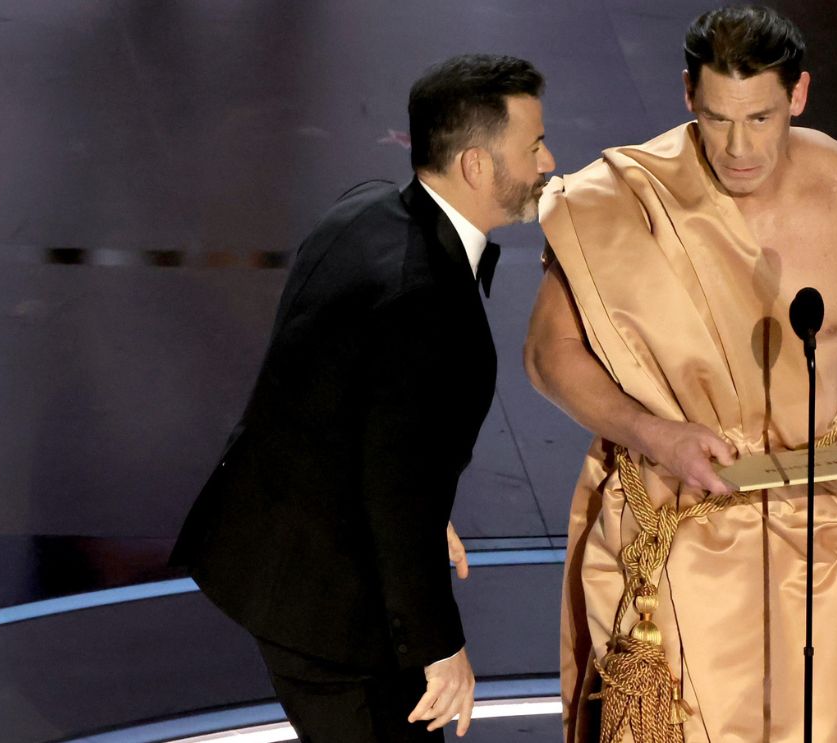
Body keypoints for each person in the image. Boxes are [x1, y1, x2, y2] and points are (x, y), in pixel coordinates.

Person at [524, 6, 837, 742]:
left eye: (761, 119)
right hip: (680, 523)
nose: (738, 148)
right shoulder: (614, 203)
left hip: (827, 522)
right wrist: (652, 432)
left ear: (797, 96)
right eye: (716, 119)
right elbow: (550, 354)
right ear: (686, 95)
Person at [171, 54, 555, 742]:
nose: (548, 161)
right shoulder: (424, 299)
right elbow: (395, 489)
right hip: (323, 613)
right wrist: (443, 651)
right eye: (531, 146)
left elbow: (333, 395)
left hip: (281, 556)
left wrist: (422, 496)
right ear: (474, 164)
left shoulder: (367, 206)